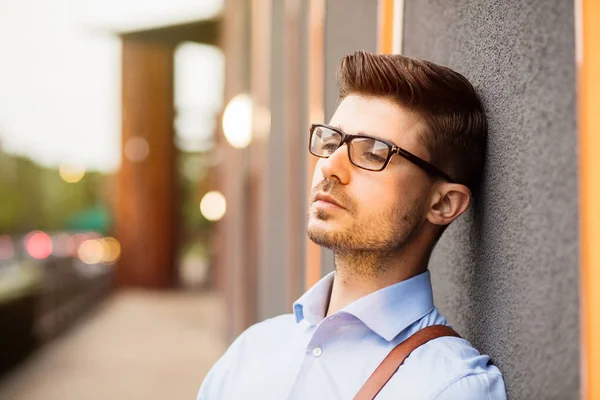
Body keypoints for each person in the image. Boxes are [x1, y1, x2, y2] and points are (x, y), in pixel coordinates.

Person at [197, 51, 507, 399]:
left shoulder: (449, 387)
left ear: (442, 203)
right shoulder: (251, 352)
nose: (330, 165)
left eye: (373, 152)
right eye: (330, 142)